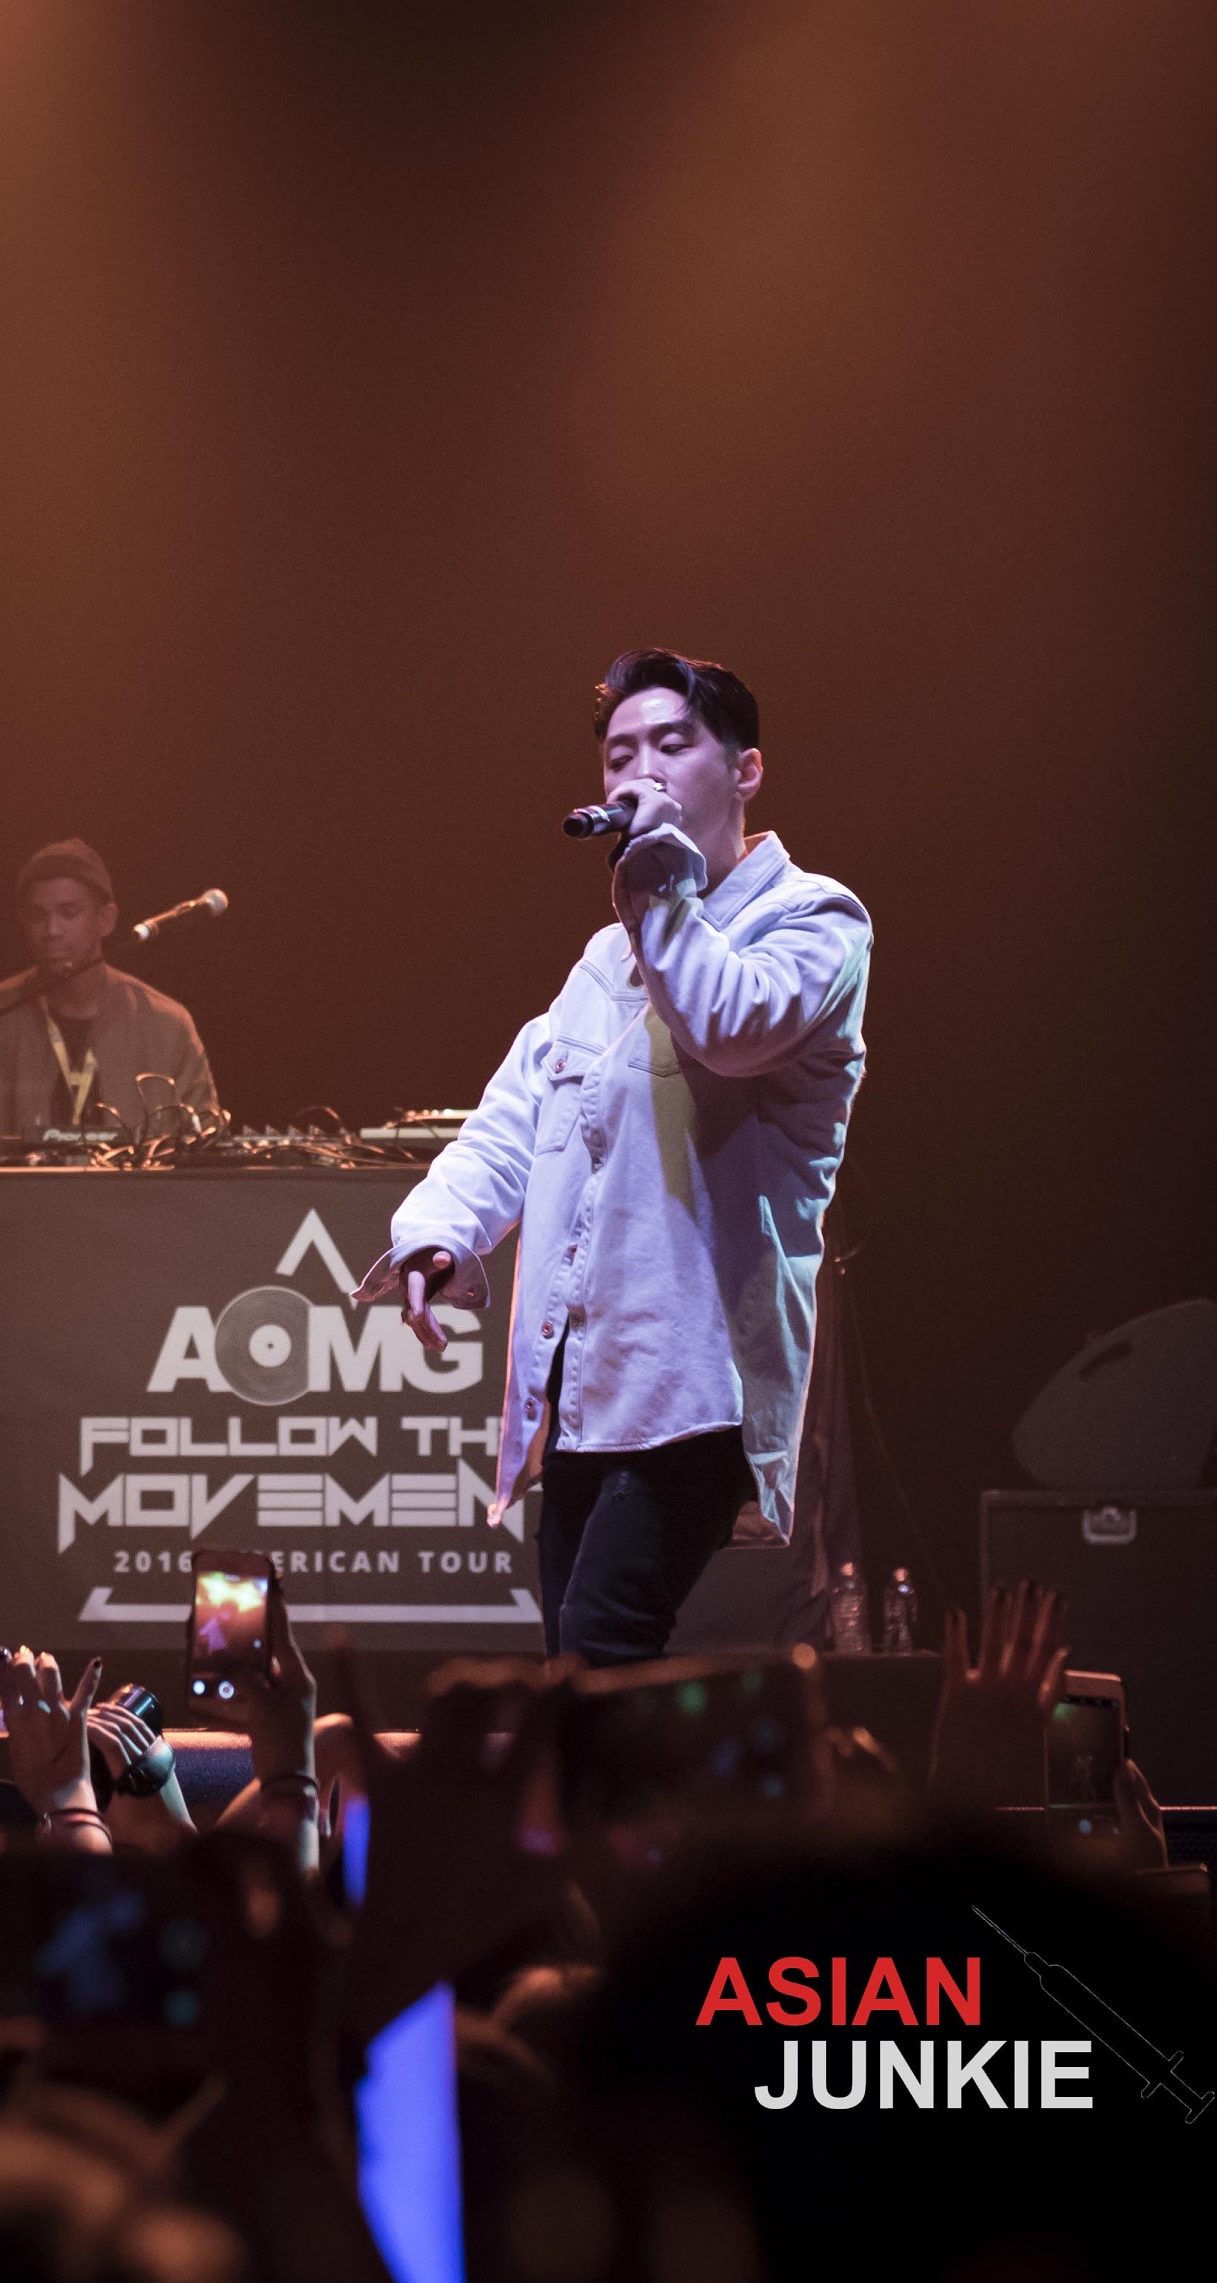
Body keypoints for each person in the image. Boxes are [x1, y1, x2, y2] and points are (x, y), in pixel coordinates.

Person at [355, 648, 871, 1664]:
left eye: (672, 745)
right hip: (586, 1383)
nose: (641, 771)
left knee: (603, 1643)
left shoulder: (815, 921)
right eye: (620, 754)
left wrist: (659, 879)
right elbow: (514, 1120)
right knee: (574, 1666)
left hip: (696, 1382)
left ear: (746, 769)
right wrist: (441, 1233)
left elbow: (727, 1026)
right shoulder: (603, 961)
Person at [0, 838, 218, 1157]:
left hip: (131, 1192)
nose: (52, 930)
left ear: (106, 920)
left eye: (68, 913)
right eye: (37, 915)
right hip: (16, 1193)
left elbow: (208, 1150)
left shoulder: (168, 1025)